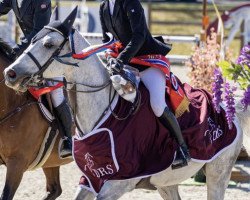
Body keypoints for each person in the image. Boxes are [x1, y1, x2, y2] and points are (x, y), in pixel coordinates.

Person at [99, 0, 190, 168]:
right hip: (126, 63)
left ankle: (182, 149)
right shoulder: (104, 7)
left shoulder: (130, 2)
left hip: (148, 61)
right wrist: (109, 57)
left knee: (157, 104)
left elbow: (139, 35)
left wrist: (120, 60)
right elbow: (108, 39)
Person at [0, 0, 73, 158]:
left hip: (45, 52)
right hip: (26, 55)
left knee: (56, 94)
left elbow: (38, 31)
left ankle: (68, 139)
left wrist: (17, 50)